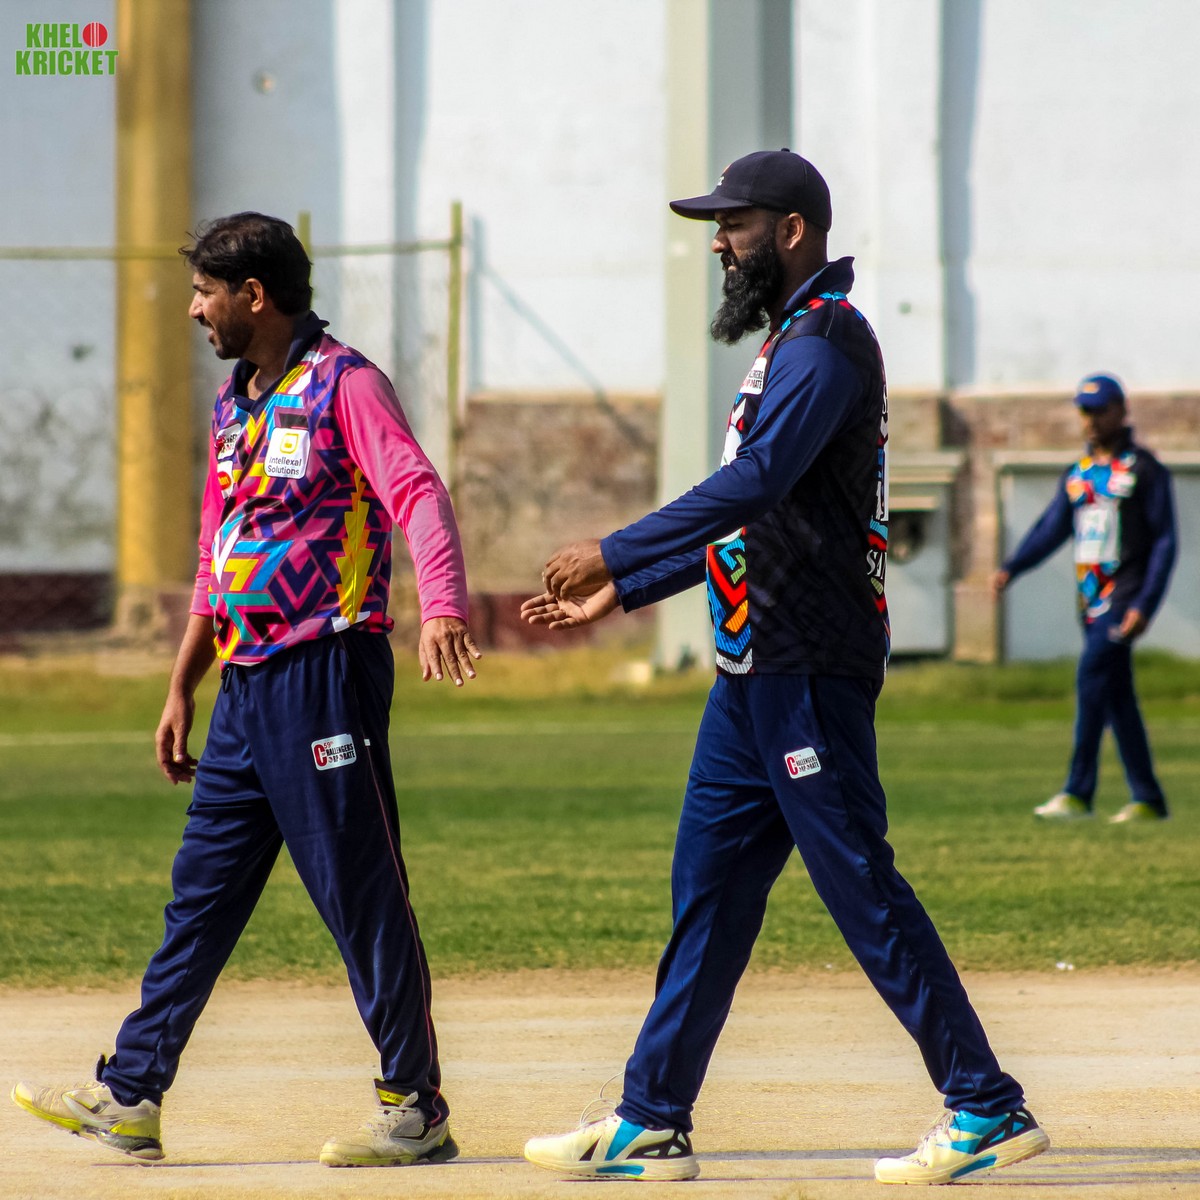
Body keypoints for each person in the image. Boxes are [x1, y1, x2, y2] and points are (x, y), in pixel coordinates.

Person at [518, 150, 1049, 1186]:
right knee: (709, 896)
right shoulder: (787, 343)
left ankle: (985, 1104)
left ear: (792, 230)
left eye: (735, 223)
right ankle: (651, 1118)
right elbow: (756, 515)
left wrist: (615, 550)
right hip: (750, 671)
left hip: (808, 666)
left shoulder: (828, 341)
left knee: (859, 883)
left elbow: (758, 482)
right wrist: (630, 588)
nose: (720, 242)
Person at [11, 212, 481, 1167]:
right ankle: (132, 1092)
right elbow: (214, 553)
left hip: (325, 674)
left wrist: (442, 604)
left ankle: (413, 1107)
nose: (194, 310)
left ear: (253, 295)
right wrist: (184, 681)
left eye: (204, 292)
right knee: (202, 896)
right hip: (245, 687)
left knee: (359, 894)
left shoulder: (346, 384)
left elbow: (417, 492)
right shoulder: (235, 405)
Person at [993, 374, 1176, 824]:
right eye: (1085, 411)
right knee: (1117, 697)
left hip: (1124, 595)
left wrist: (1145, 604)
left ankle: (1078, 792)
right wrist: (1012, 567)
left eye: (1100, 410)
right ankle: (1148, 797)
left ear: (1121, 411)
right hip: (1090, 601)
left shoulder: (1143, 469)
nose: (1091, 420)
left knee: (1091, 678)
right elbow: (1051, 528)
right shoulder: (1079, 475)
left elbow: (1165, 541)